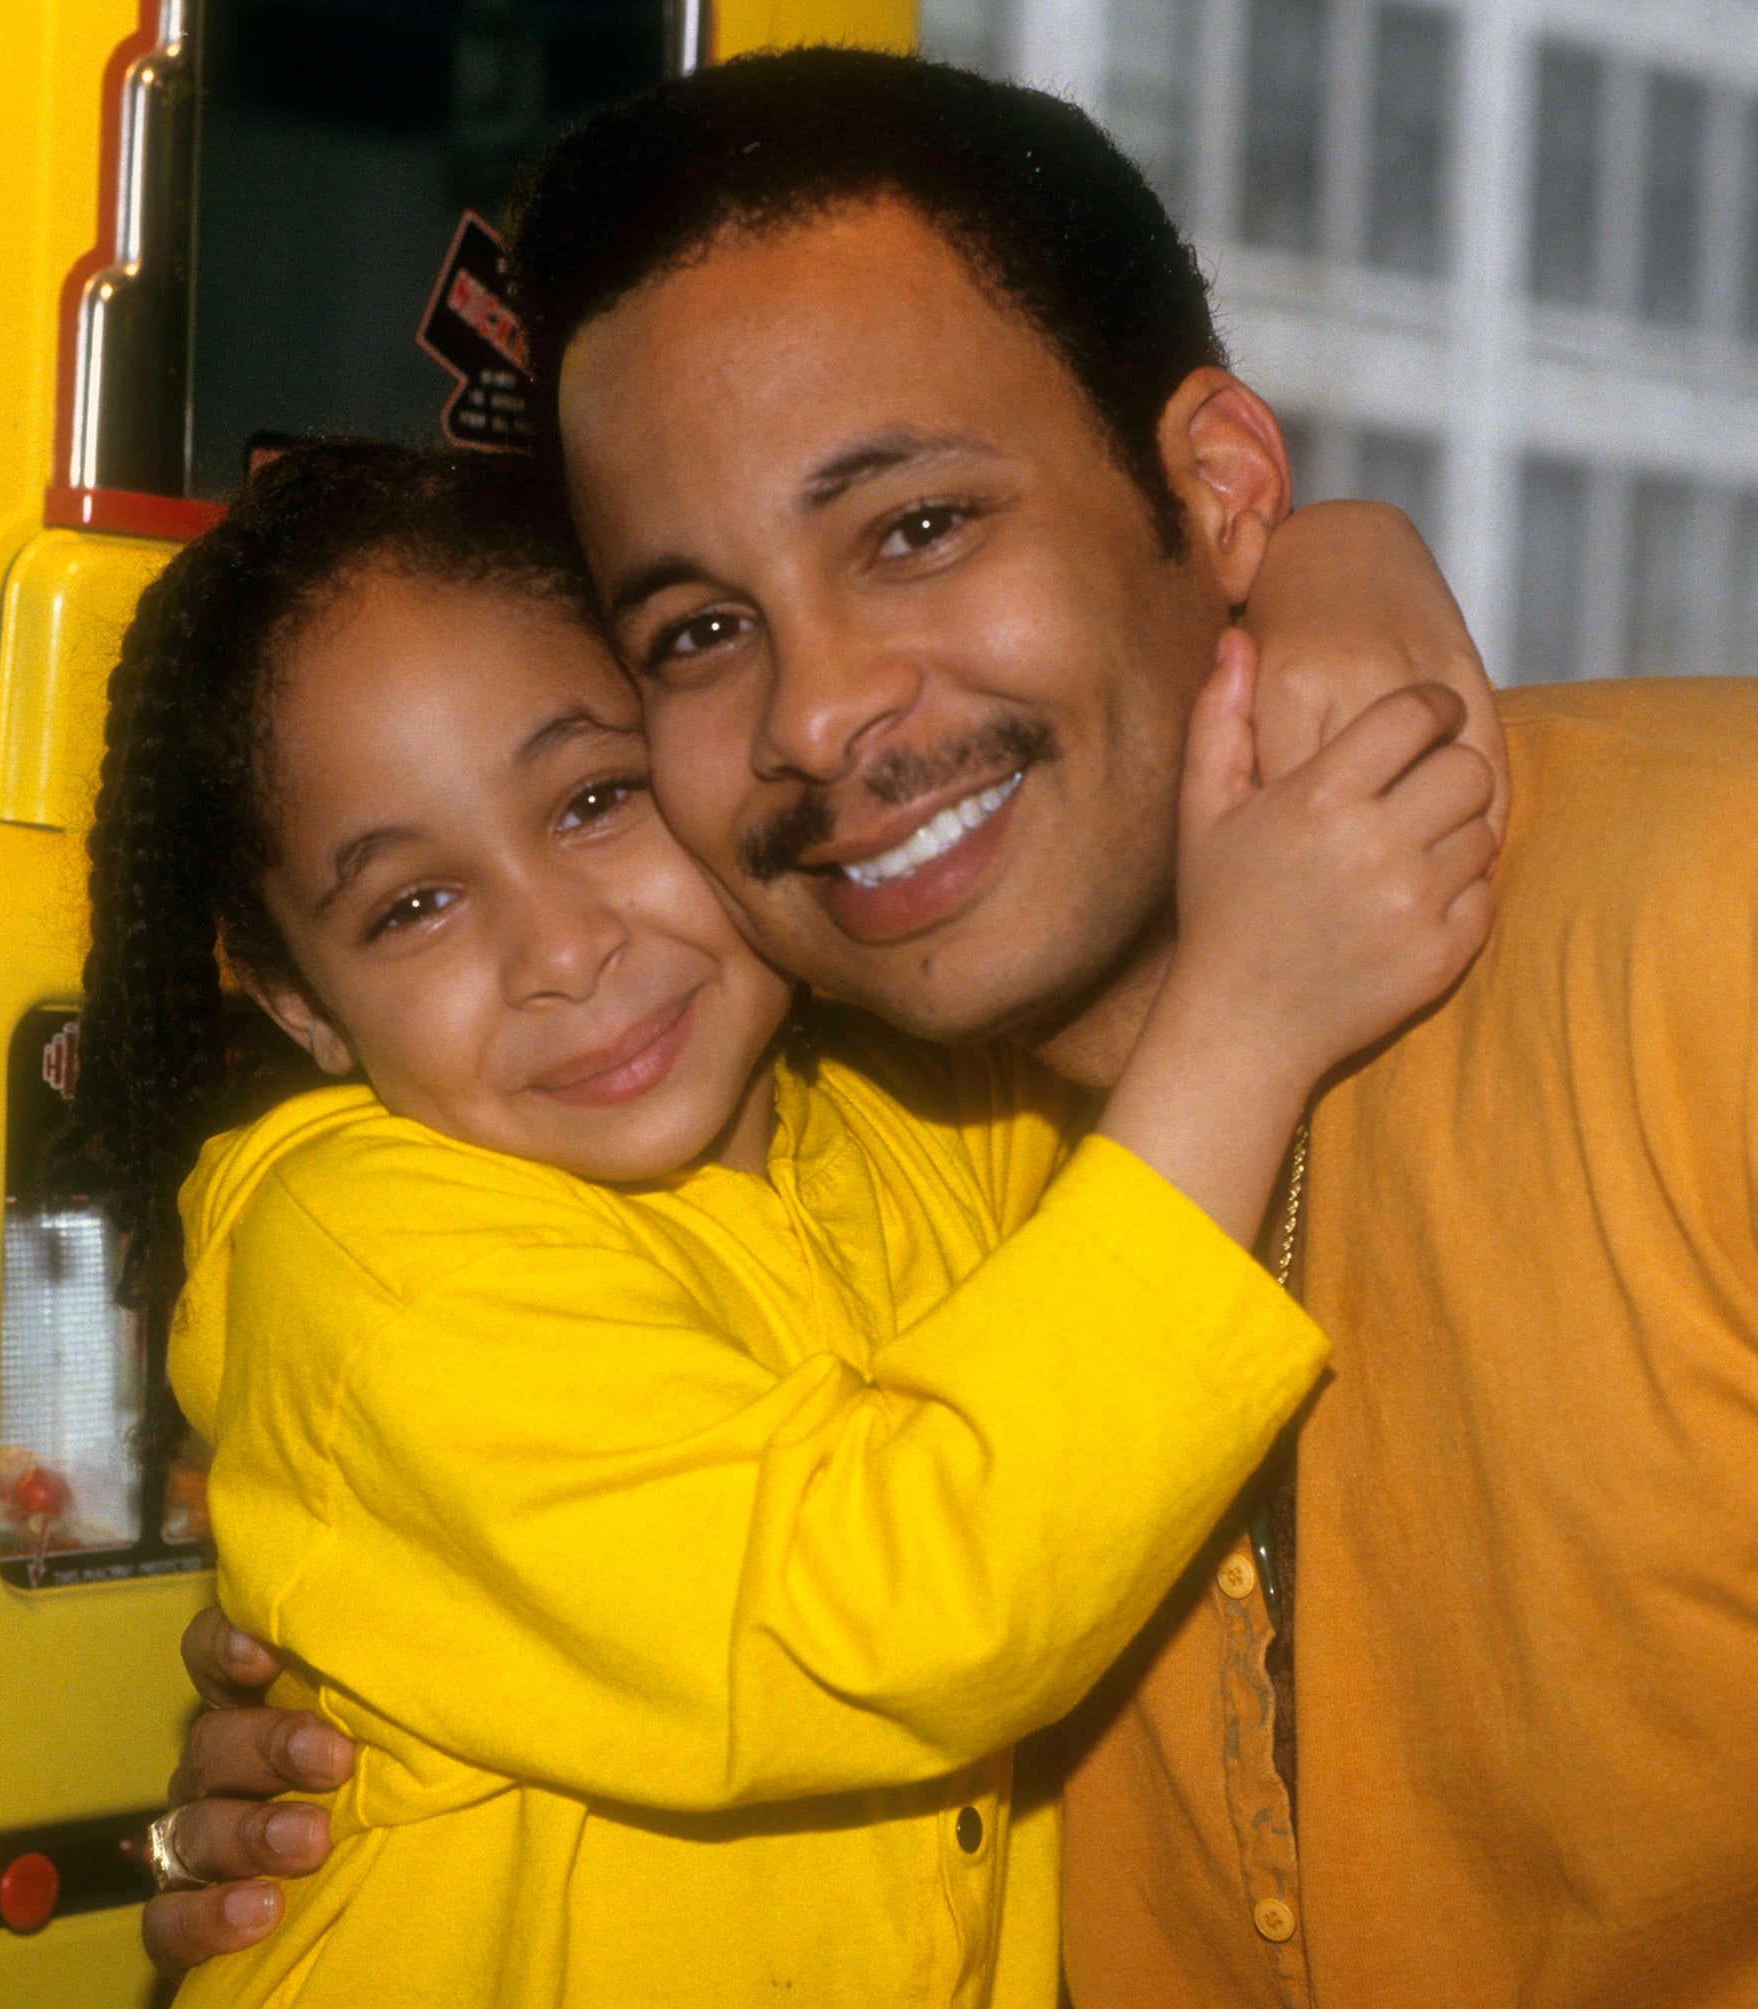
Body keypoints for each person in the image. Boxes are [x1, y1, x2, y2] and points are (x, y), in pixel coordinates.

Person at [158, 47, 1758, 2006]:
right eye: (698, 632)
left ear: (1217, 486)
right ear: (302, 999)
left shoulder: (1704, 945)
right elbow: (877, 1582)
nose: (821, 715)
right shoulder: (917, 1101)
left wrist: (1338, 559)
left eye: (915, 526)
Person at [81, 438, 1488, 2005]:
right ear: (299, 1003)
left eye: (597, 798)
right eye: (412, 906)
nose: (562, 947)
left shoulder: (914, 1118)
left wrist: (1324, 554)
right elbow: (899, 1606)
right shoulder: (359, 1253)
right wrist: (1246, 1020)